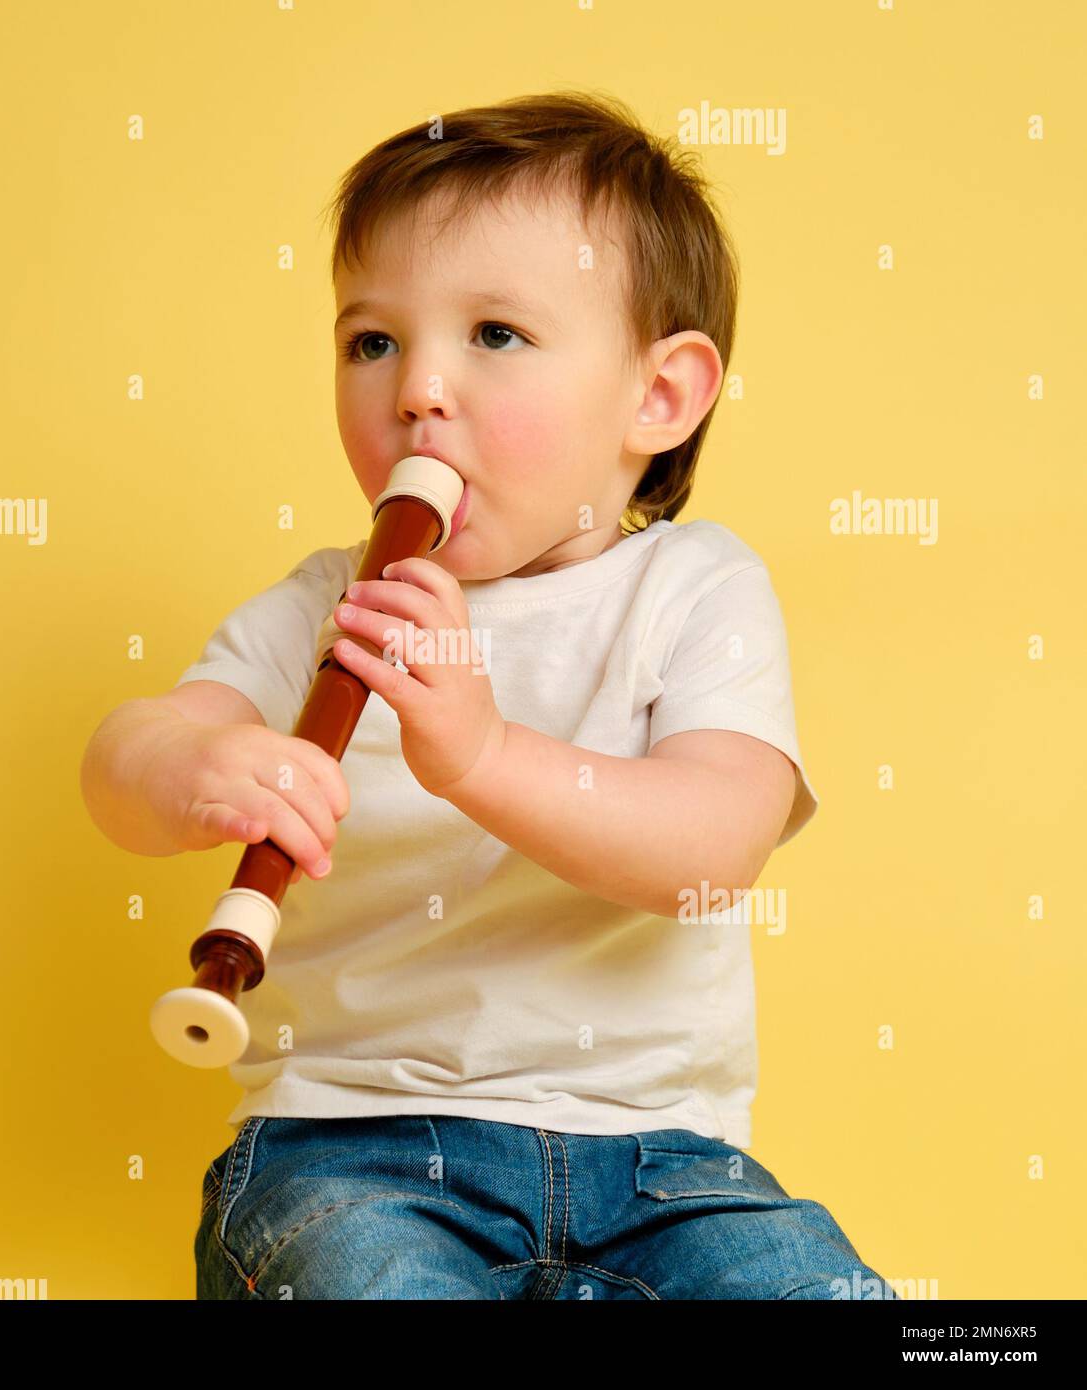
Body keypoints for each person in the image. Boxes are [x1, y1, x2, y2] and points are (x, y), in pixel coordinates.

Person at [81, 90, 896, 1301]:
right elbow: (123, 761)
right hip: (349, 1150)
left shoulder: (694, 588)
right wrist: (179, 770)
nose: (417, 390)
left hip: (669, 1166)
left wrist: (483, 754)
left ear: (658, 397)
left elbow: (713, 844)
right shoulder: (324, 604)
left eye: (496, 335)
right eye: (372, 342)